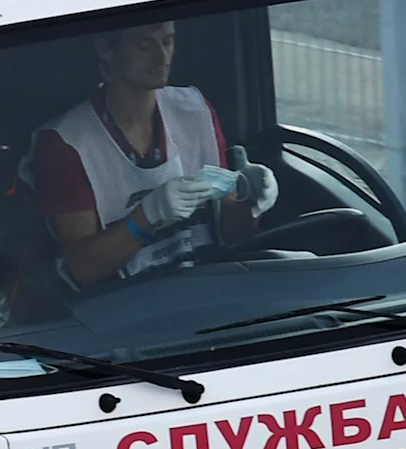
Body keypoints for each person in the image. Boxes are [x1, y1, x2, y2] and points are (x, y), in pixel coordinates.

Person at [28, 21, 280, 287]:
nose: (162, 57)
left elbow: (232, 234)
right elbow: (82, 269)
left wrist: (250, 201)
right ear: (105, 49)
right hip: (125, 307)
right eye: (144, 45)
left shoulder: (195, 112)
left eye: (168, 41)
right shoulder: (66, 142)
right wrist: (146, 216)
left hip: (206, 286)